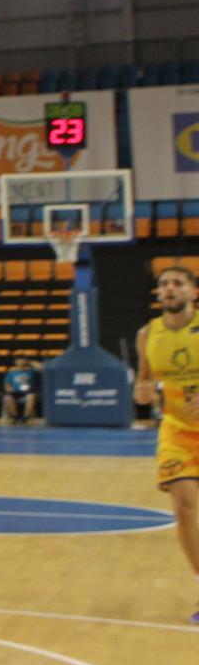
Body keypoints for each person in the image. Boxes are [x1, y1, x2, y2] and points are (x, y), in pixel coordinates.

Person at [135, 266, 199, 623]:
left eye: (177, 283)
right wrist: (141, 392)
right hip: (177, 429)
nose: (169, 289)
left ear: (193, 293)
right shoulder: (147, 334)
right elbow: (144, 382)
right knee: (184, 504)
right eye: (163, 284)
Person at [3, 357, 39, 425]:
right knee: (7, 397)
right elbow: (6, 385)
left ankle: (25, 418)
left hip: (27, 393)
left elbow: (41, 367)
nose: (20, 362)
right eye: (18, 360)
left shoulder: (30, 371)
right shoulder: (11, 372)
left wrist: (30, 362)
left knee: (31, 396)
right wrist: (10, 389)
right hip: (15, 393)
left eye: (22, 360)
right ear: (15, 362)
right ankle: (15, 417)